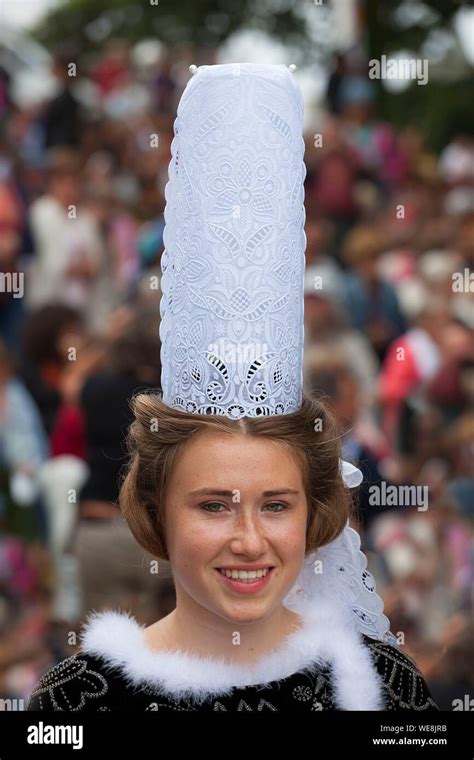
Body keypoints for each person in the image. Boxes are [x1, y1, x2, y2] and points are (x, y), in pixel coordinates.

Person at [27, 63, 438, 712]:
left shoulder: (383, 691)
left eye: (276, 505)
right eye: (213, 505)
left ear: (315, 511)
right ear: (158, 507)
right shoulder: (81, 702)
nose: (249, 540)